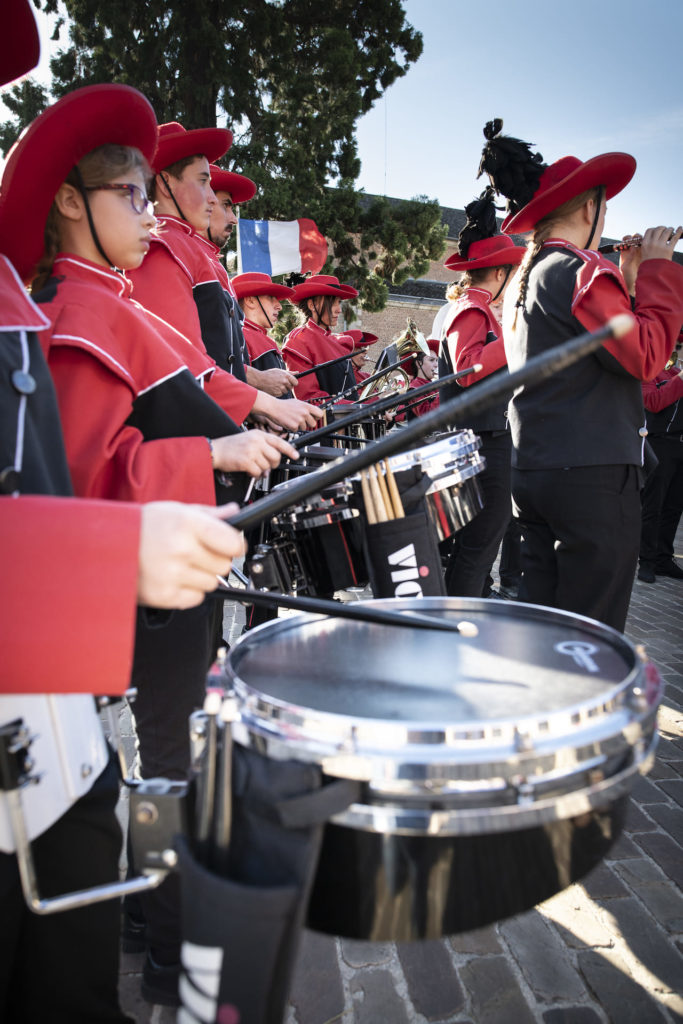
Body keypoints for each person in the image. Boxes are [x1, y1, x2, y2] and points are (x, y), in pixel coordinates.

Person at [0, 82, 301, 1006]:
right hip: (125, 601)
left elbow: (193, 379)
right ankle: (172, 949)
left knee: (171, 752)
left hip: (145, 585)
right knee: (170, 761)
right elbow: (89, 483)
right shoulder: (80, 310)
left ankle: (157, 927)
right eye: (129, 194)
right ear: (69, 202)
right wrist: (210, 449)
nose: (148, 212)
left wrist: (244, 416)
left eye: (145, 194)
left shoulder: (103, 295)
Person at [479, 118, 683, 630]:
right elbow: (646, 355)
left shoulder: (530, 274)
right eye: (604, 206)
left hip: (536, 469)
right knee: (590, 631)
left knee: (545, 624)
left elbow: (594, 348)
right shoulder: (584, 271)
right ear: (591, 207)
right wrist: (659, 270)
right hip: (590, 476)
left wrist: (629, 281)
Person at [127, 121, 321, 433]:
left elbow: (216, 362)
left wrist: (253, 408)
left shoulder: (187, 249)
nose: (214, 199)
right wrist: (262, 403)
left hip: (210, 425)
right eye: (203, 182)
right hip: (185, 437)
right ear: (164, 182)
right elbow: (178, 365)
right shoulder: (164, 248)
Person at [437, 188, 525, 598]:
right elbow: (467, 369)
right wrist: (514, 333)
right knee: (479, 543)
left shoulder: (480, 306)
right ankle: (458, 622)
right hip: (481, 443)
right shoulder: (473, 307)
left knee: (475, 543)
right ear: (500, 272)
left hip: (482, 440)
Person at [637, 332, 683, 582]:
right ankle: (646, 560)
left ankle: (663, 558)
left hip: (680, 446)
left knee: (674, 507)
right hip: (659, 444)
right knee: (653, 505)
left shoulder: (674, 375)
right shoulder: (648, 374)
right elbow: (654, 402)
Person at [282, 273, 359, 403]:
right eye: (332, 302)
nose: (339, 310)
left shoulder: (336, 341)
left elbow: (351, 391)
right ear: (312, 305)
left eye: (339, 302)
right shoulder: (298, 340)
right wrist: (358, 408)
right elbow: (309, 397)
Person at [232, 270, 298, 396]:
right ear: (250, 301)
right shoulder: (240, 335)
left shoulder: (258, 336)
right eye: (271, 297)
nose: (279, 306)